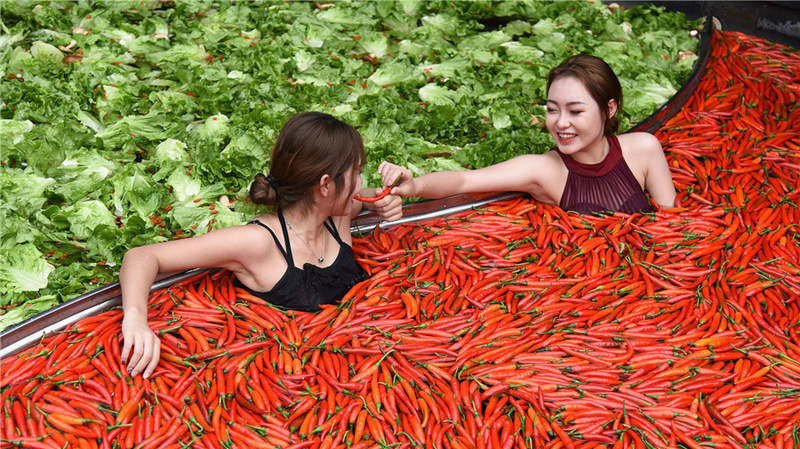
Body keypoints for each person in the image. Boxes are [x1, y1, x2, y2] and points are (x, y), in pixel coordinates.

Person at [120, 111, 402, 378]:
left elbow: (366, 196)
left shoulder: (336, 218)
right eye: (356, 173)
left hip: (364, 361)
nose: (361, 182)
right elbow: (142, 256)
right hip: (294, 378)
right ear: (326, 185)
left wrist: (385, 198)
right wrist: (135, 319)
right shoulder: (258, 243)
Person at [379, 54, 677, 214]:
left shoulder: (644, 149)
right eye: (552, 109)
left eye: (575, 111)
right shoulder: (544, 169)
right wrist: (415, 185)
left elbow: (673, 227)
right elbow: (466, 179)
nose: (561, 123)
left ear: (609, 109)